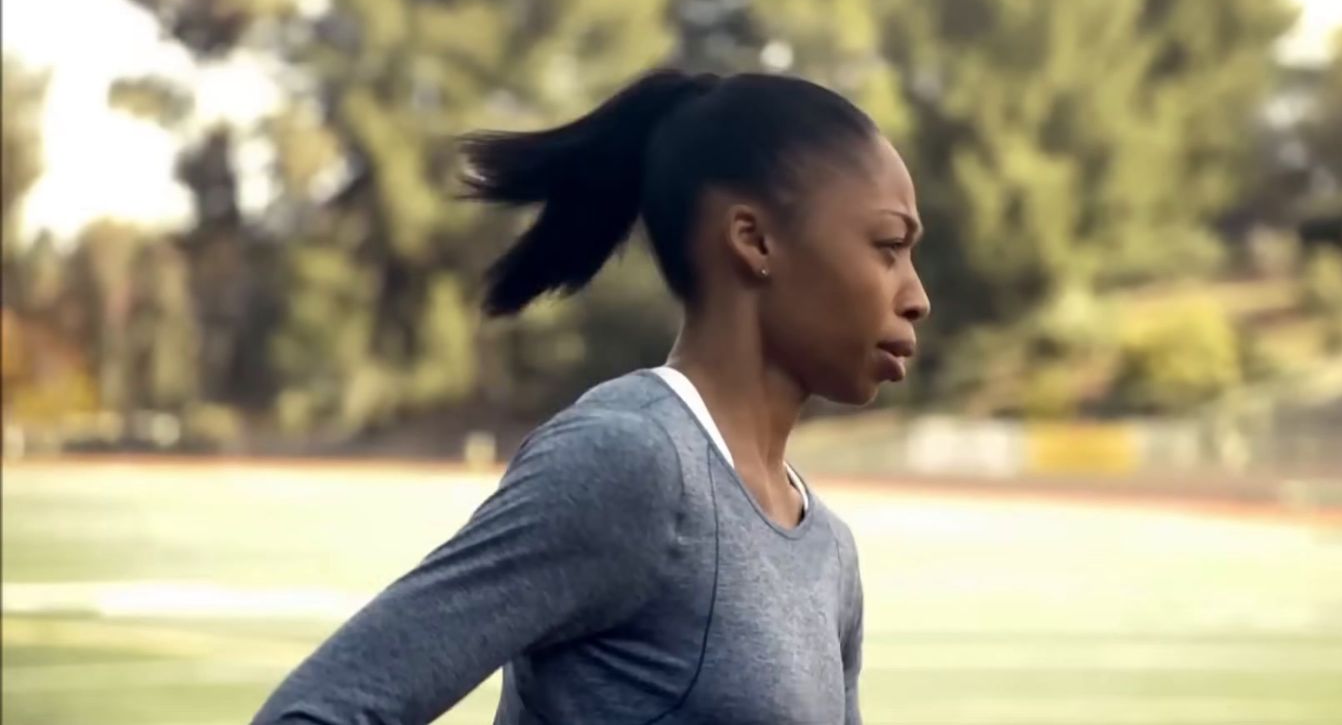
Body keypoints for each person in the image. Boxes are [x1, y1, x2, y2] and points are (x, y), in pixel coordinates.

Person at [251, 70, 931, 724]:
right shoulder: (631, 463)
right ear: (754, 239)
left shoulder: (829, 550)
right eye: (887, 247)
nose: (916, 296)